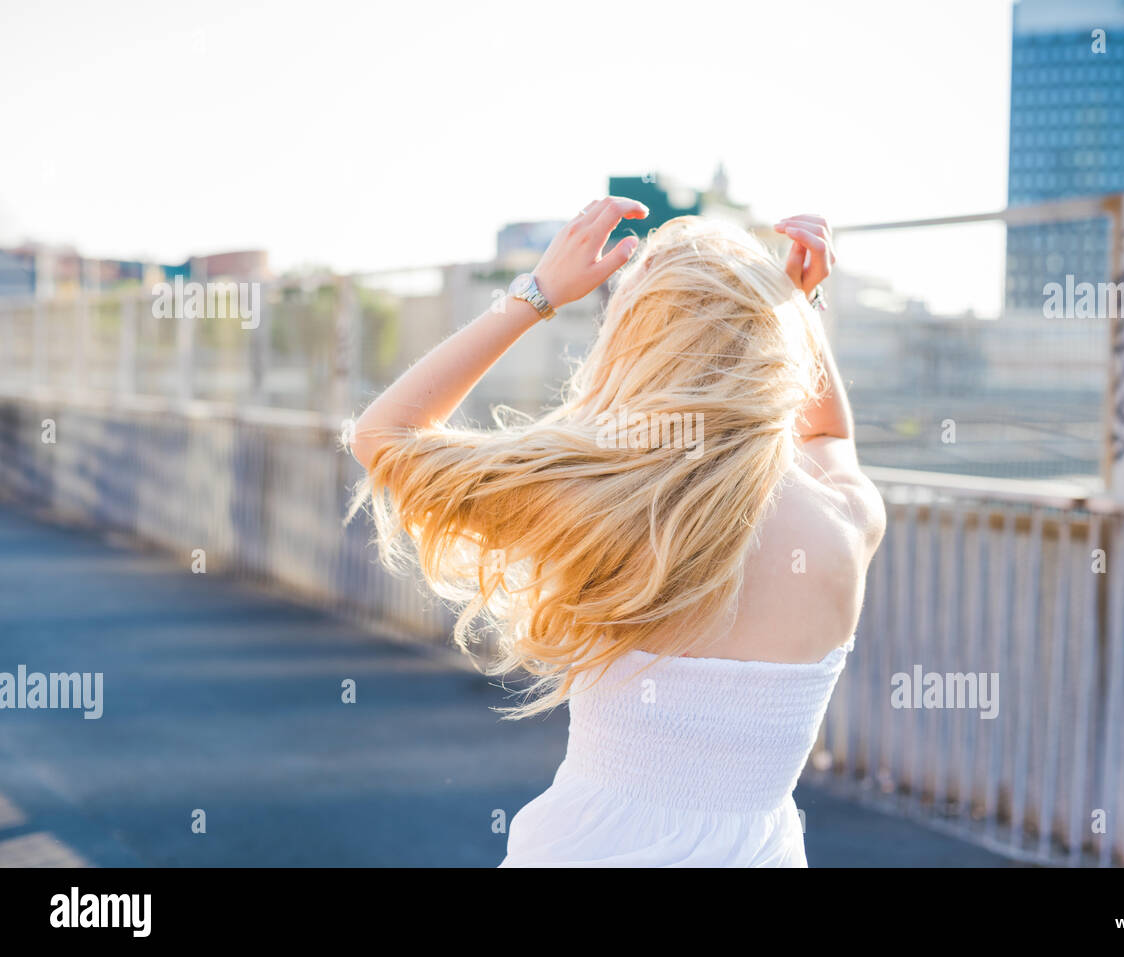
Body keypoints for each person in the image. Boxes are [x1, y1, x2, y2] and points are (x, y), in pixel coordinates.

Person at [348, 197, 886, 866]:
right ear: (780, 350)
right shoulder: (842, 521)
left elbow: (382, 435)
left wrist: (535, 294)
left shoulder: (595, 498)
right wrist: (796, 307)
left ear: (636, 340)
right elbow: (829, 432)